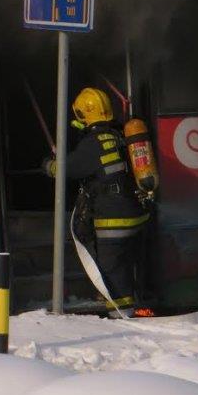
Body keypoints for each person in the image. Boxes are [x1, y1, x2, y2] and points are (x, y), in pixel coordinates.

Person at [45, 88, 148, 317]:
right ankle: (137, 306)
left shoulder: (92, 144)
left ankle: (122, 315)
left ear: (85, 115)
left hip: (113, 218)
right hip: (135, 213)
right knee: (128, 263)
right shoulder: (120, 136)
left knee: (112, 268)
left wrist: (50, 165)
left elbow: (67, 169)